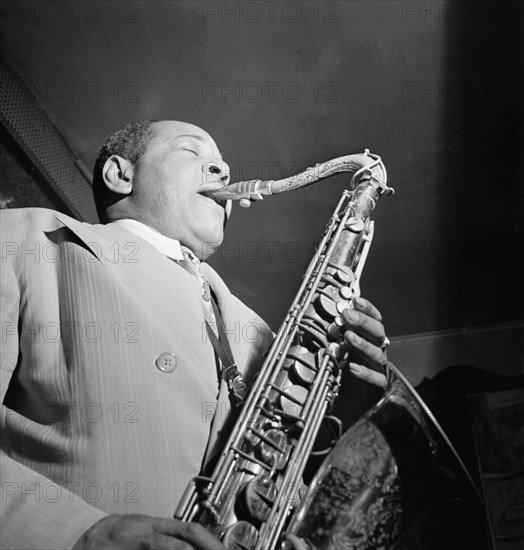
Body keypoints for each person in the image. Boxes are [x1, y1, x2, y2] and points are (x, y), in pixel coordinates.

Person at [0, 120, 390, 549]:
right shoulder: (27, 239)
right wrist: (77, 533)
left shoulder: (264, 335)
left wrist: (349, 400)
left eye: (222, 161)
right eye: (191, 151)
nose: (223, 169)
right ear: (120, 174)